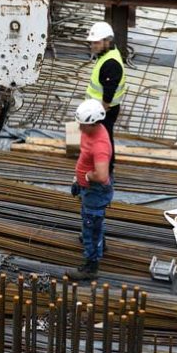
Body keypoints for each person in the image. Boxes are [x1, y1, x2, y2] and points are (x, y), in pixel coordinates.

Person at [68, 100, 114, 281]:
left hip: (95, 191)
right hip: (87, 188)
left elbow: (102, 175)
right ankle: (100, 245)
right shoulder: (90, 131)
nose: (79, 128)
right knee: (93, 223)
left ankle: (91, 266)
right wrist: (77, 179)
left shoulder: (100, 145)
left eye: (82, 125)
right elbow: (85, 158)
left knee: (90, 227)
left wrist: (86, 177)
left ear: (94, 123)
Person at [85, 21, 126, 172]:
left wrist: (99, 114)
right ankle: (101, 165)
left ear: (107, 41)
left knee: (104, 140)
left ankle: (106, 170)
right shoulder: (107, 54)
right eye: (92, 43)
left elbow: (108, 94)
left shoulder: (111, 63)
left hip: (105, 111)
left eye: (96, 43)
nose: (93, 46)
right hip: (99, 109)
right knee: (101, 138)